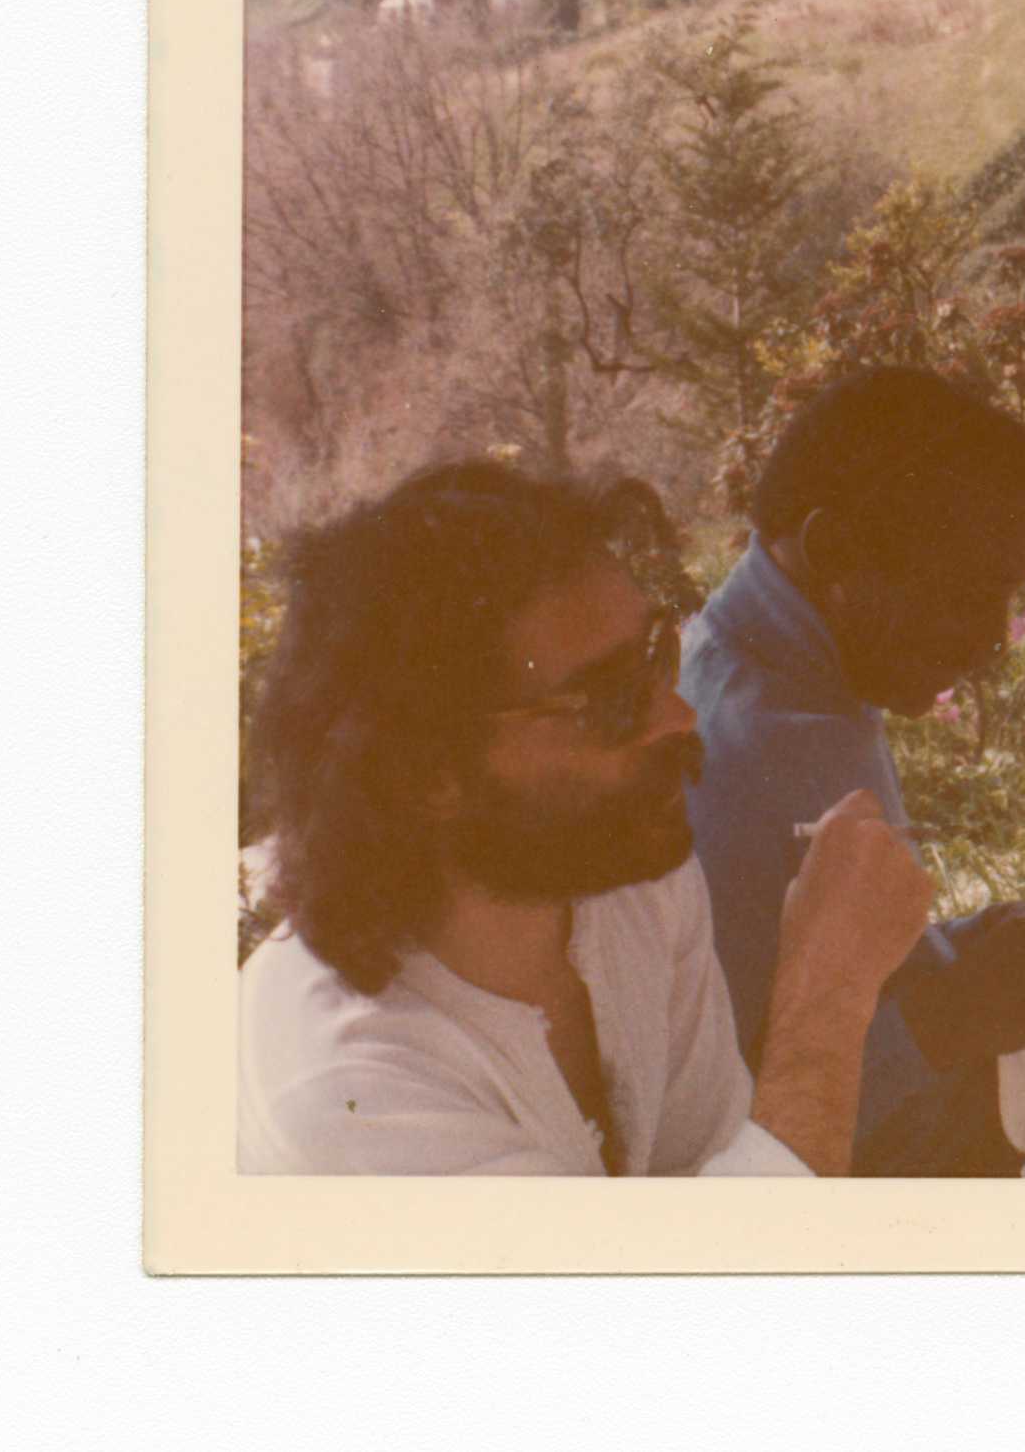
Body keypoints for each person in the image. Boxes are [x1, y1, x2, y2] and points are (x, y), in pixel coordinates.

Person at [238, 461, 933, 1175]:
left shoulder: (629, 881)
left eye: (657, 655)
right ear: (425, 774)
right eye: (609, 702)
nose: (678, 714)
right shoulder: (350, 1094)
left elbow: (705, 1170)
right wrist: (828, 994)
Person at [682, 367, 1025, 1176]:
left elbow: (813, 969)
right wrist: (957, 1013)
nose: (994, 640)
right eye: (967, 593)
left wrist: (969, 945)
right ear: (835, 552)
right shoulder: (750, 748)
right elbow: (737, 1122)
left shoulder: (796, 675)